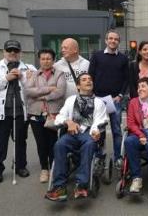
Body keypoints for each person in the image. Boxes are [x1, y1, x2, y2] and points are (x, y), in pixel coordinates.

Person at [45, 73, 108, 201]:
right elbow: (60, 117)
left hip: (88, 133)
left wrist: (95, 130)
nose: (88, 81)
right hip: (72, 133)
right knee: (59, 145)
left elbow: (100, 120)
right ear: (78, 86)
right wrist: (69, 122)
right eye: (84, 80)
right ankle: (59, 187)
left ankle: (81, 185)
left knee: (89, 144)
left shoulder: (99, 102)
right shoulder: (70, 100)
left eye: (90, 79)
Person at [0, 40, 34, 183]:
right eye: (9, 50)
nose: (12, 53)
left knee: (21, 141)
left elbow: (34, 88)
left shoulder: (29, 68)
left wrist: (22, 78)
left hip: (20, 112)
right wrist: (5, 78)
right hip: (0, 114)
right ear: (3, 52)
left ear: (20, 53)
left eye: (15, 51)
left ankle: (20, 166)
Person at [24, 49, 66, 183]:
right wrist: (49, 89)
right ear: (39, 60)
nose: (45, 61)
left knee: (53, 143)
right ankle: (44, 169)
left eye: (48, 58)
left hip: (53, 114)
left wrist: (40, 96)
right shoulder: (34, 75)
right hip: (36, 114)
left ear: (53, 60)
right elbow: (28, 91)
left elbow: (60, 92)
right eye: (43, 59)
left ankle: (54, 168)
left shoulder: (60, 74)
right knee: (41, 143)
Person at [88, 30, 128, 164]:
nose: (113, 41)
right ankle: (100, 157)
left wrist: (121, 95)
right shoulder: (97, 56)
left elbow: (126, 79)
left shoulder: (123, 58)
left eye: (116, 39)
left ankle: (118, 157)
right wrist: (92, 94)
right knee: (100, 130)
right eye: (110, 38)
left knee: (117, 130)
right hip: (98, 99)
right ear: (106, 41)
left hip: (115, 101)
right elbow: (90, 75)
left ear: (118, 42)